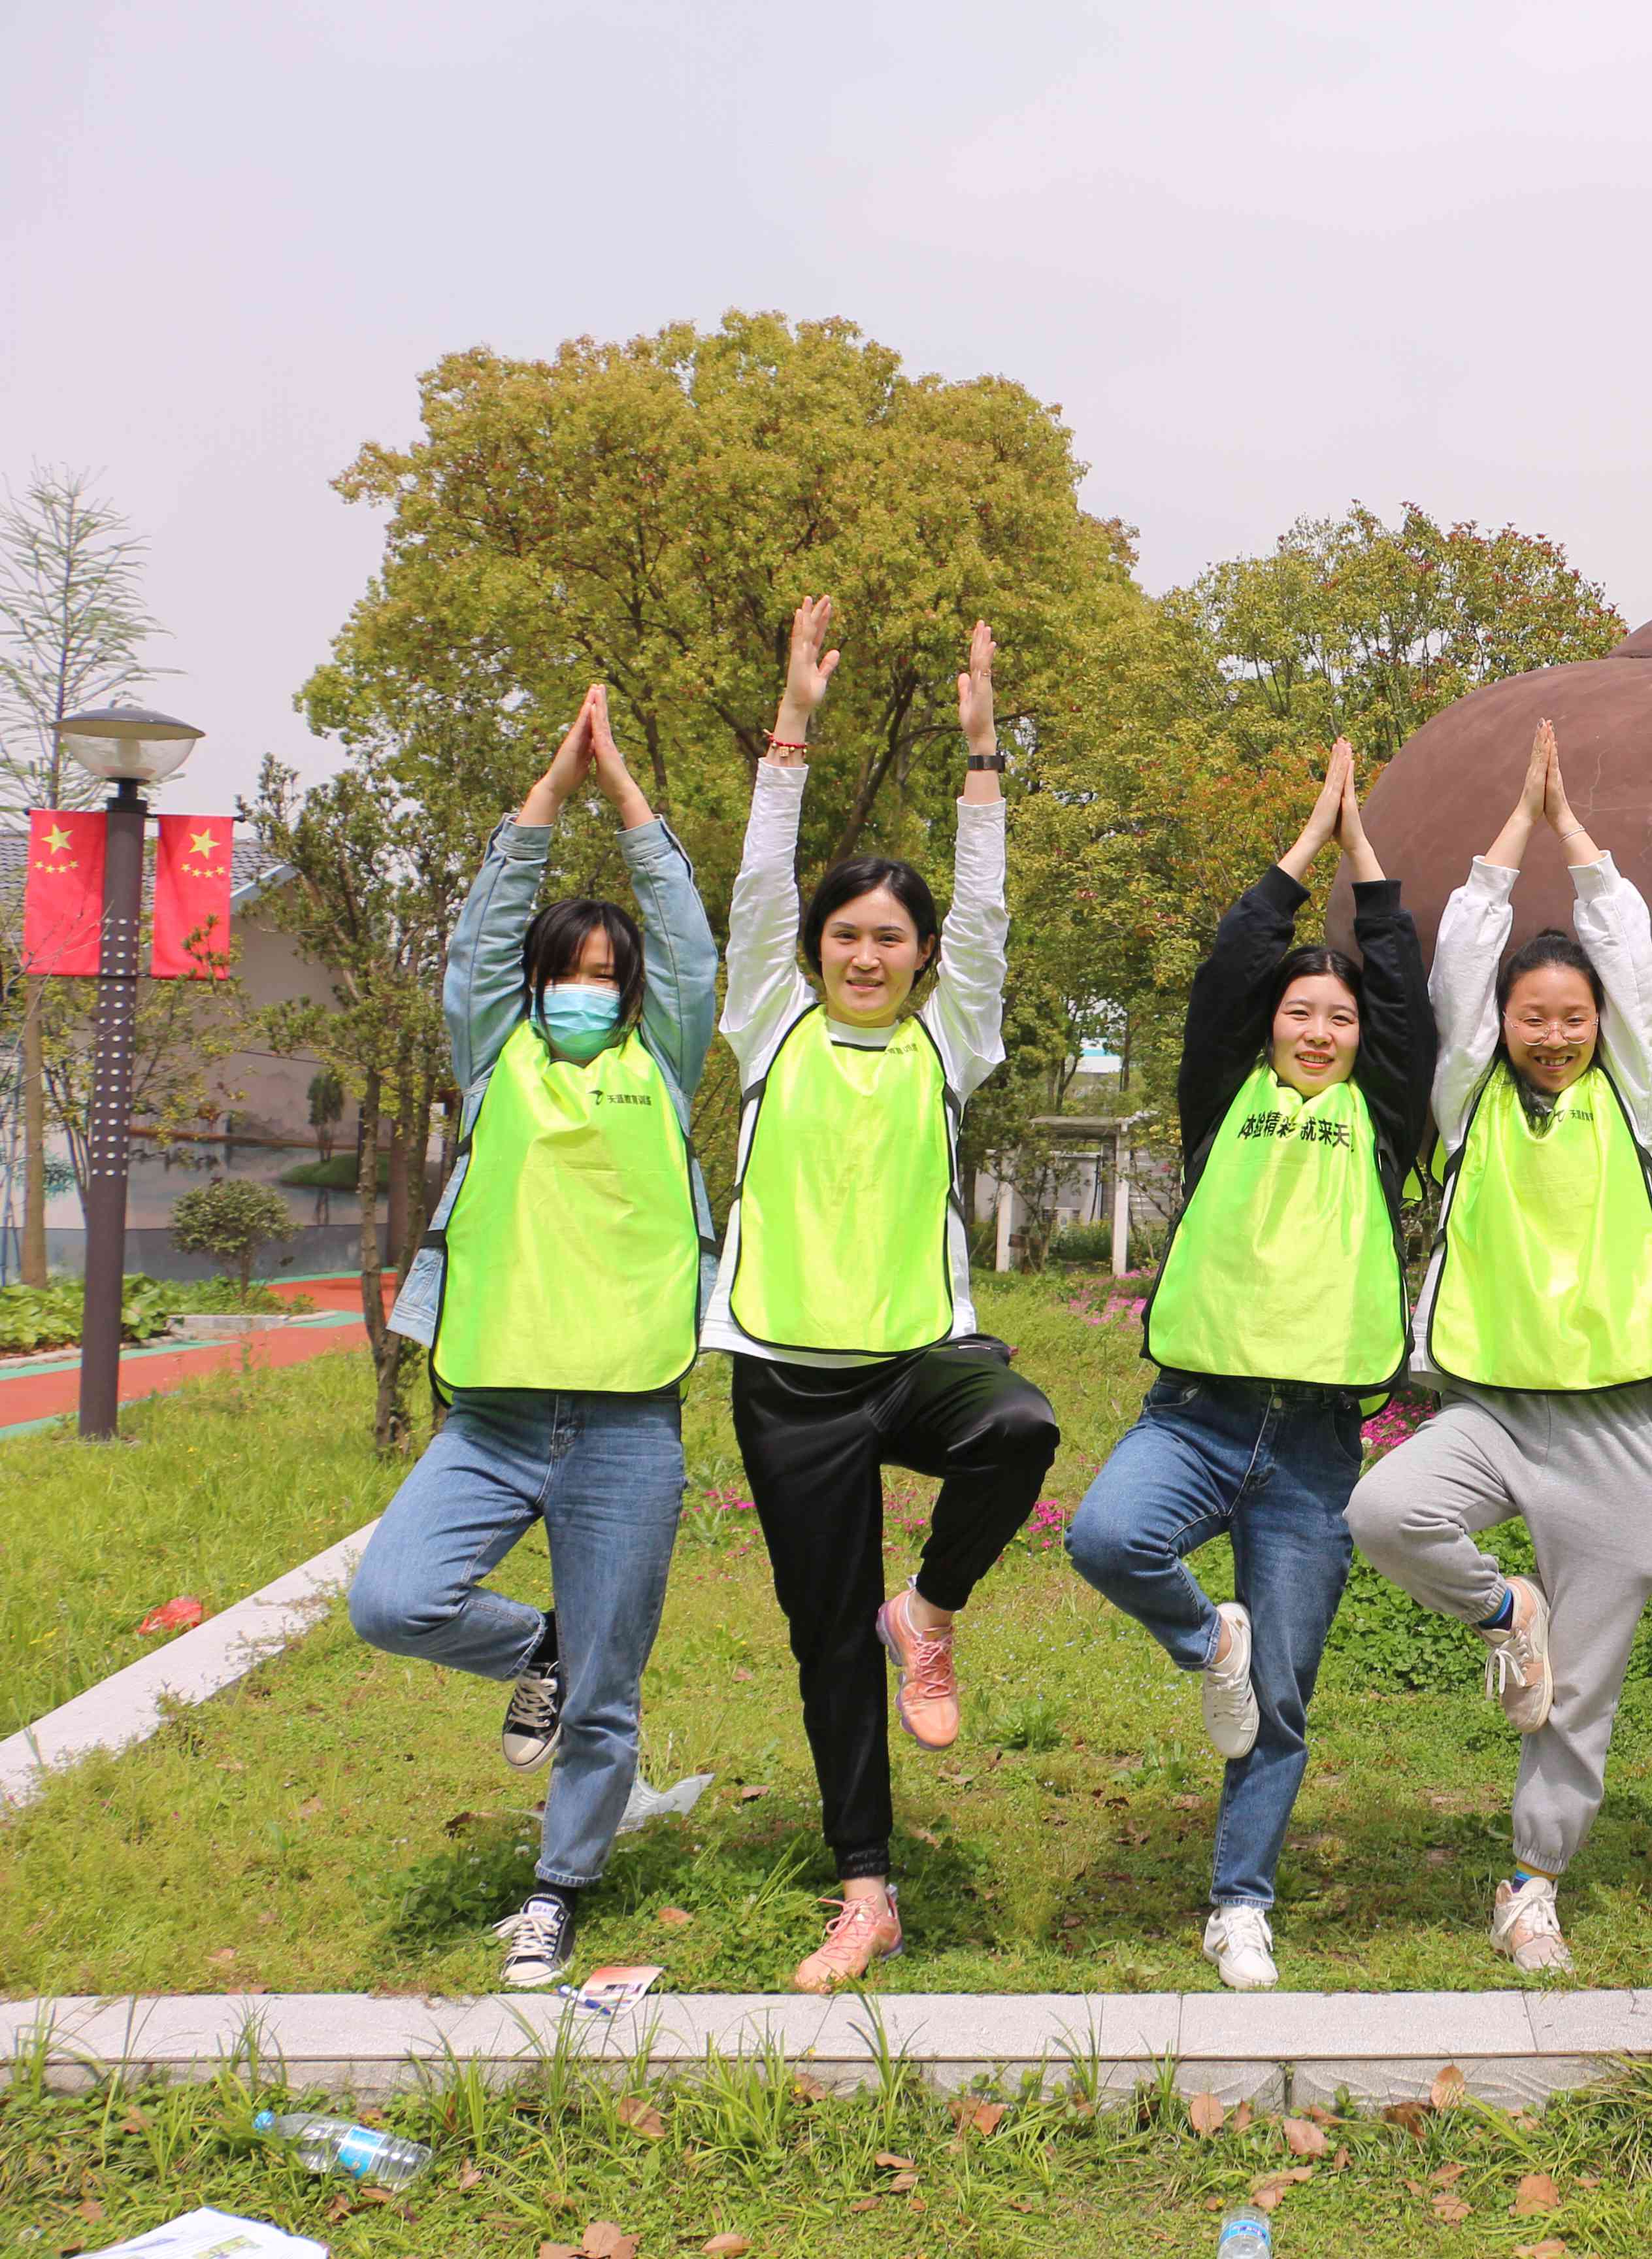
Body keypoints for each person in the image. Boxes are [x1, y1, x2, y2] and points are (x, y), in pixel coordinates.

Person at [716, 597, 1062, 1993]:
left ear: (920, 960)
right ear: (815, 952)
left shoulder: (949, 1041)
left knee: (1022, 1430)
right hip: (787, 1378)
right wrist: (789, 729)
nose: (869, 955)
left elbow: (986, 915)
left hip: (920, 1356)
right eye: (847, 936)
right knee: (823, 1646)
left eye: (891, 940)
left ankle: (929, 1611)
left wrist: (984, 760)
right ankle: (868, 1890)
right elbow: (755, 884)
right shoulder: (766, 1020)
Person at [348, 688, 717, 1990]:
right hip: (496, 1419)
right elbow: (479, 942)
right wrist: (546, 798)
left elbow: (689, 948)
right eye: (569, 973)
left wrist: (630, 798)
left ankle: (559, 1890)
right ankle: (539, 1650)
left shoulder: (662, 1063)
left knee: (609, 1699)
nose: (588, 991)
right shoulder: (494, 1054)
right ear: (536, 987)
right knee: (394, 1600)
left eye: (607, 979)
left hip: (628, 1425)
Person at [1065, 740, 1435, 1993]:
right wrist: (1304, 847)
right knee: (1108, 1539)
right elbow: (1228, 969)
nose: (1322, 1029)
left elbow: (1406, 1000)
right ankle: (1199, 1641)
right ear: (1269, 1028)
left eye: (1338, 1016)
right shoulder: (1220, 1092)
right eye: (1300, 1012)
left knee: (1284, 1689)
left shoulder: (1383, 1117)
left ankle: (1241, 1900)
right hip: (1199, 1415)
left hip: (1321, 1441)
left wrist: (1368, 867)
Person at [1346, 722, 1652, 1975]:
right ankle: (1507, 1610)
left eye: (1572, 1017)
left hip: (1610, 1424)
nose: (1554, 1033)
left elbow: (1633, 966)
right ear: (1503, 1027)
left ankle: (1533, 1882)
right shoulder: (1466, 1100)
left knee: (1584, 1687)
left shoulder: (1635, 1101)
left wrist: (1578, 837)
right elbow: (1463, 964)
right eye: (1533, 1019)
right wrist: (1512, 833)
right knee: (1384, 1515)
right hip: (1488, 1412)